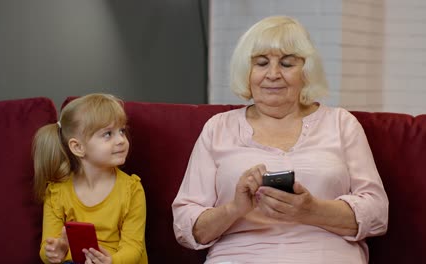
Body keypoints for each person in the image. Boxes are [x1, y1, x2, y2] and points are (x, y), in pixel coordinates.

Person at [172, 16, 388, 264]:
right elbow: (186, 226)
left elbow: (378, 213)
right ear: (247, 71)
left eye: (287, 64)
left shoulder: (341, 123)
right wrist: (235, 209)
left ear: (306, 73)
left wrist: (312, 210)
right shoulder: (218, 128)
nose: (273, 74)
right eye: (261, 63)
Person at [33, 93, 148, 264]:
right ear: (77, 147)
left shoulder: (131, 190)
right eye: (108, 134)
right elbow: (47, 249)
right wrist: (55, 252)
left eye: (122, 131)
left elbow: (134, 248)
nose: (121, 140)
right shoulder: (57, 192)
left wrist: (111, 261)